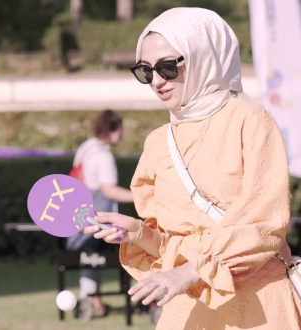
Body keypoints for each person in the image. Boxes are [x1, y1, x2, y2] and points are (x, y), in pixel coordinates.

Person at [85, 7, 301, 329]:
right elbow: (173, 245)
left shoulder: (249, 121)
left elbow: (264, 224)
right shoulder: (159, 142)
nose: (157, 81)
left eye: (168, 67)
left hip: (257, 306)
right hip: (188, 308)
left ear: (205, 57)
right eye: (145, 71)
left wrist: (192, 270)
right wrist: (137, 232)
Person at [66, 109, 133, 319]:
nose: (122, 135)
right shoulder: (103, 156)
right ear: (113, 129)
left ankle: (94, 302)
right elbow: (109, 190)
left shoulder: (85, 148)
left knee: (89, 259)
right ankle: (140, 298)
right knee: (135, 246)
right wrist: (141, 196)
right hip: (95, 221)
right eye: (121, 129)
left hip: (76, 223)